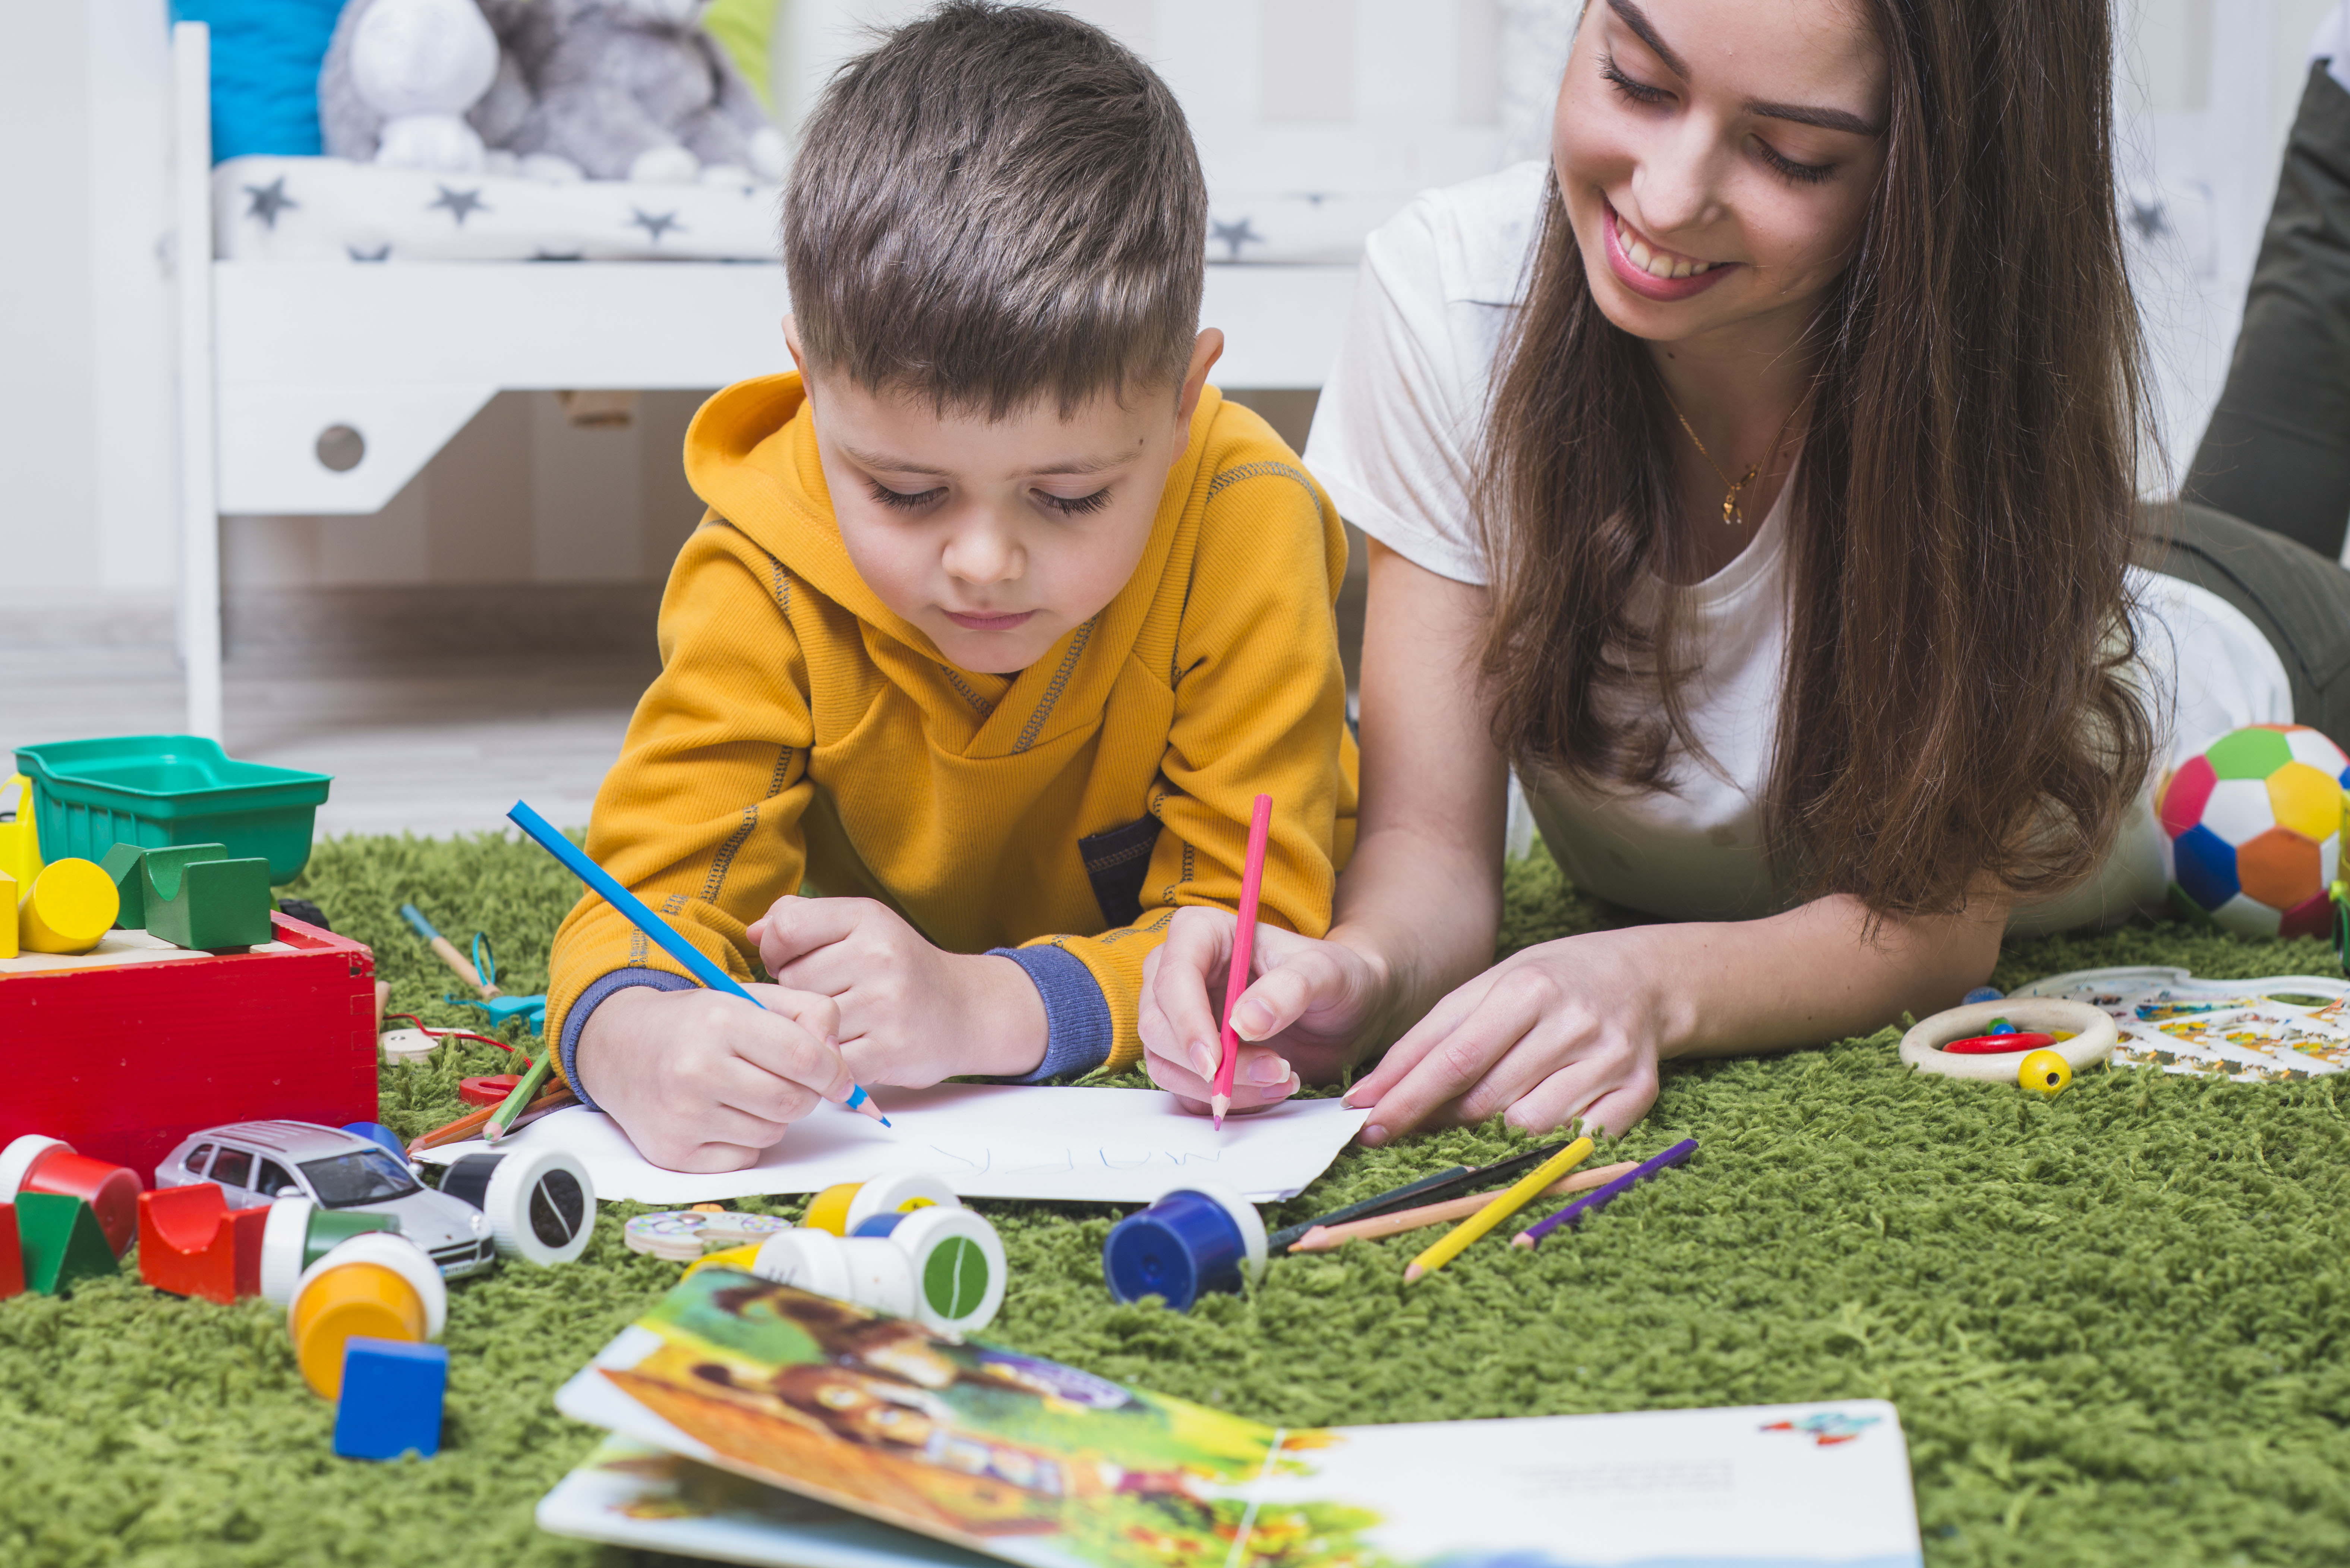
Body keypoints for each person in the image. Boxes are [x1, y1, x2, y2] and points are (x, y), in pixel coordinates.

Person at [1140, 0, 2336, 1145]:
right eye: (1634, 80)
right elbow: (1430, 860)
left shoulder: (1979, 384)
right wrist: (1358, 971)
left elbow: (1930, 933)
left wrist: (1649, 984)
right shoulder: (1452, 300)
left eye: (1791, 155)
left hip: (2238, 654)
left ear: (1928, 175)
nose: (1664, 196)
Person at [548, 3, 1358, 1172]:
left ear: (1182, 404)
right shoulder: (760, 560)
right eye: (906, 493)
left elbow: (1247, 952)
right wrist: (634, 1037)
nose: (983, 564)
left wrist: (983, 1008)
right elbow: (637, 903)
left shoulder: (1246, 519)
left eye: (1070, 496)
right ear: (813, 392)